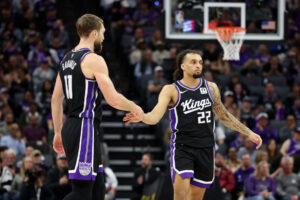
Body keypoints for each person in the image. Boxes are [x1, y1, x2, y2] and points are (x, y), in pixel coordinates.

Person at [124, 49, 262, 200]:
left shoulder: (211, 88)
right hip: (183, 148)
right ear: (183, 66)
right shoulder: (171, 90)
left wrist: (248, 132)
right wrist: (142, 116)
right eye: (193, 62)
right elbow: (155, 116)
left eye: (200, 63)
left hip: (206, 149)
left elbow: (224, 115)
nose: (198, 66)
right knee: (181, 196)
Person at [51, 14, 143, 200]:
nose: (103, 36)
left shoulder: (66, 59)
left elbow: (55, 99)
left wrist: (58, 132)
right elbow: (113, 99)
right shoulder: (93, 59)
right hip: (84, 127)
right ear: (93, 33)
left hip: (74, 127)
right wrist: (134, 106)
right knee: (82, 193)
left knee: (97, 191)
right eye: (102, 32)